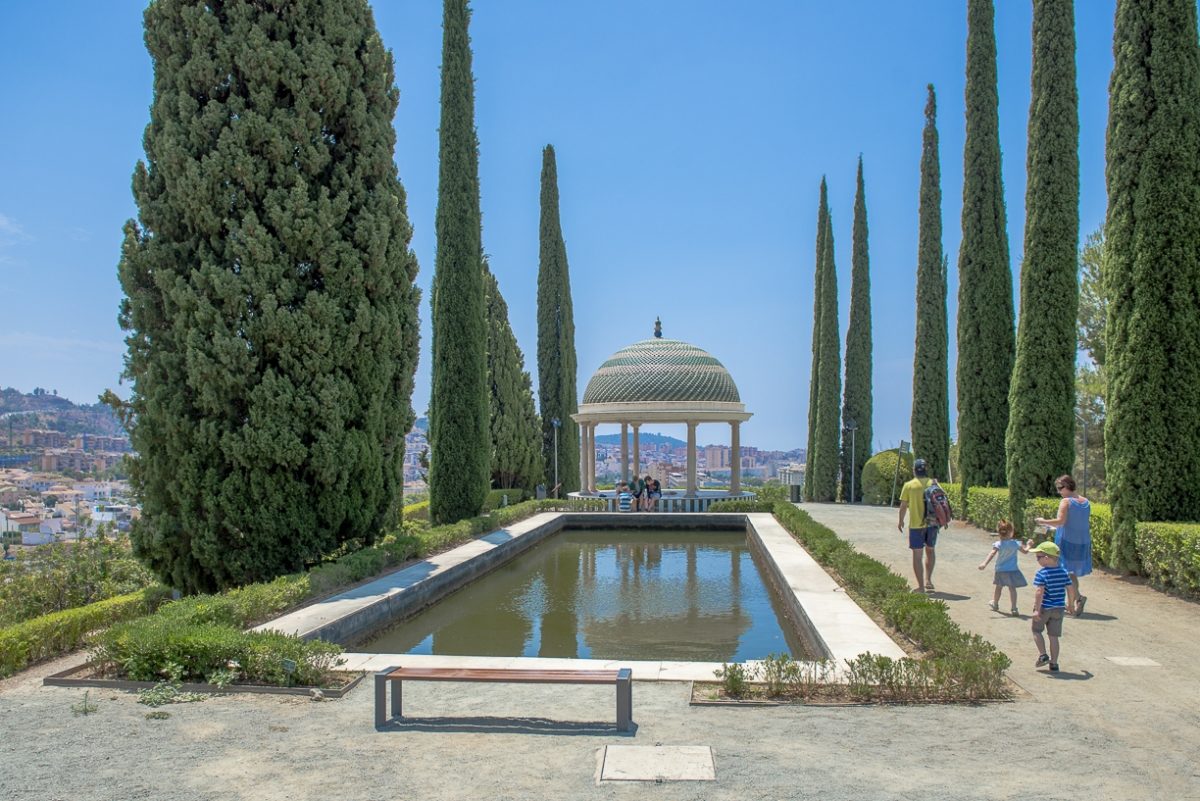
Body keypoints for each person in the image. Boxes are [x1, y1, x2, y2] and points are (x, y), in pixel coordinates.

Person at [1034, 474, 1092, 616]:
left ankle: (1076, 599)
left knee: (1064, 572)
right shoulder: (1086, 501)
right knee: (1070, 572)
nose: (1059, 492)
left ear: (1067, 487)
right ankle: (1074, 600)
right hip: (1082, 541)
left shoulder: (1066, 502)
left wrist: (1043, 521)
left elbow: (1060, 521)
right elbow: (1074, 523)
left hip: (1066, 541)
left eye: (1060, 488)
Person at [1028, 541, 1076, 672]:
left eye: (1038, 557)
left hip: (1045, 607)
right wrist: (1071, 604)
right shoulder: (1064, 572)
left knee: (1036, 630)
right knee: (1053, 636)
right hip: (1059, 609)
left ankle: (1043, 655)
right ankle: (1054, 663)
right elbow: (1070, 588)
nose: (1037, 560)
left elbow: (1039, 592)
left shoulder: (1042, 573)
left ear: (1047, 558)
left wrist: (1037, 610)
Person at [896, 457, 939, 593]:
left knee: (917, 555)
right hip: (932, 524)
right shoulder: (933, 483)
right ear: (926, 470)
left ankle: (920, 587)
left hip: (916, 525)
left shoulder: (909, 485)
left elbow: (903, 506)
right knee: (930, 550)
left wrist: (901, 520)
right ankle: (929, 580)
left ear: (914, 470)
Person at [977, 519, 1029, 615]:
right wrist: (1029, 545)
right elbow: (1025, 551)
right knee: (1012, 589)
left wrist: (984, 563)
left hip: (1001, 570)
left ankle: (995, 604)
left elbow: (992, 553)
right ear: (1011, 532)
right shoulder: (1015, 543)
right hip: (1013, 569)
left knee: (999, 587)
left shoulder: (998, 544)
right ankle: (1014, 608)